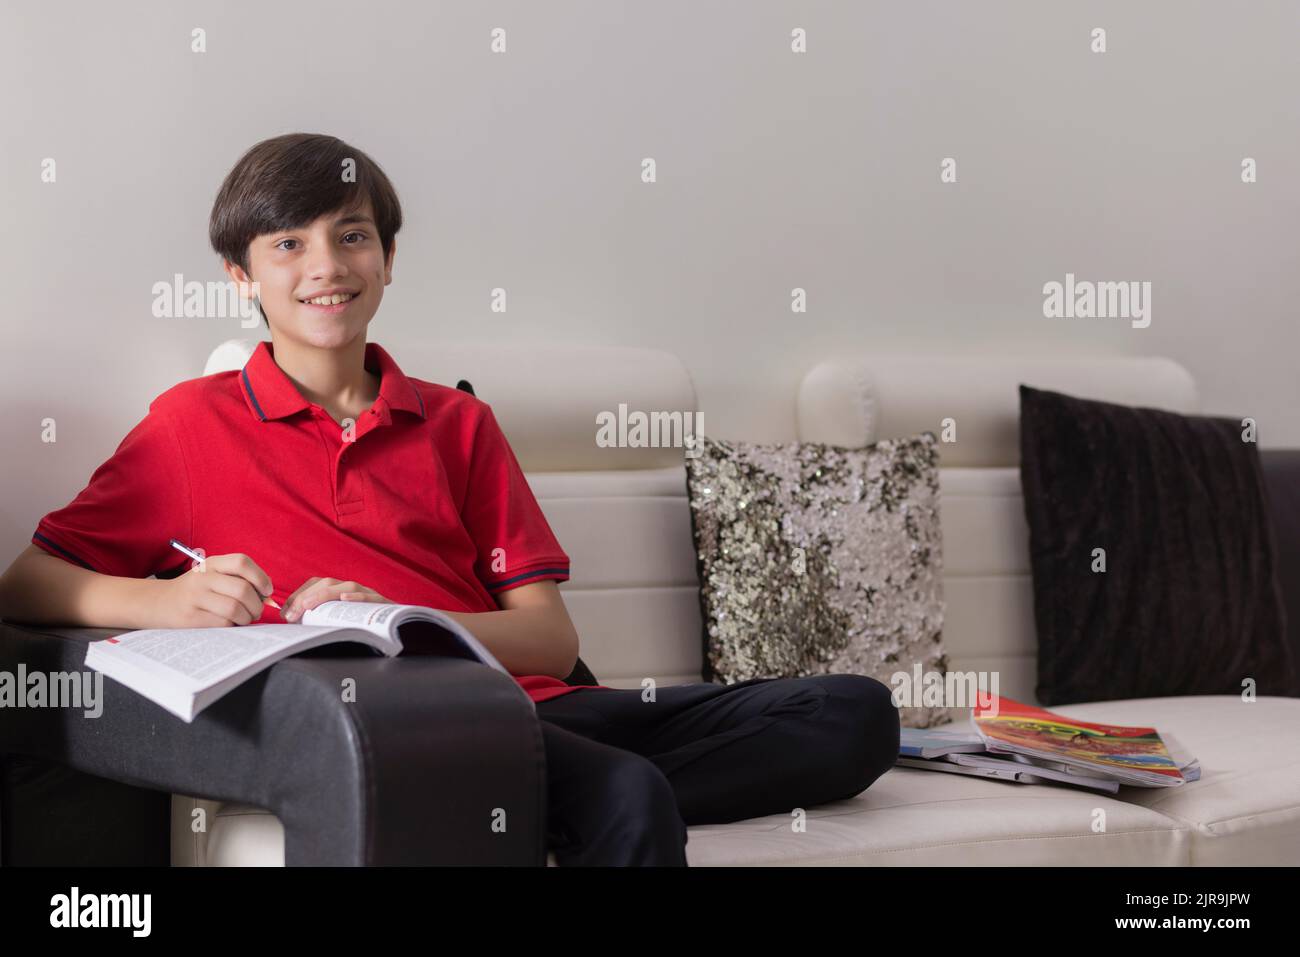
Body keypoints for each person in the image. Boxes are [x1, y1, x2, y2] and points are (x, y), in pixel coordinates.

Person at [0, 133, 899, 866]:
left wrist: (405, 612)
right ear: (241, 276)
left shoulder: (458, 422)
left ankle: (528, 792)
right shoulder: (190, 425)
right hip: (407, 728)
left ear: (389, 258)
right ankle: (542, 786)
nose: (326, 265)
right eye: (288, 243)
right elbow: (27, 583)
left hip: (542, 704)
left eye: (351, 235)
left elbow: (550, 639)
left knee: (854, 714)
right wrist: (164, 600)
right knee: (627, 794)